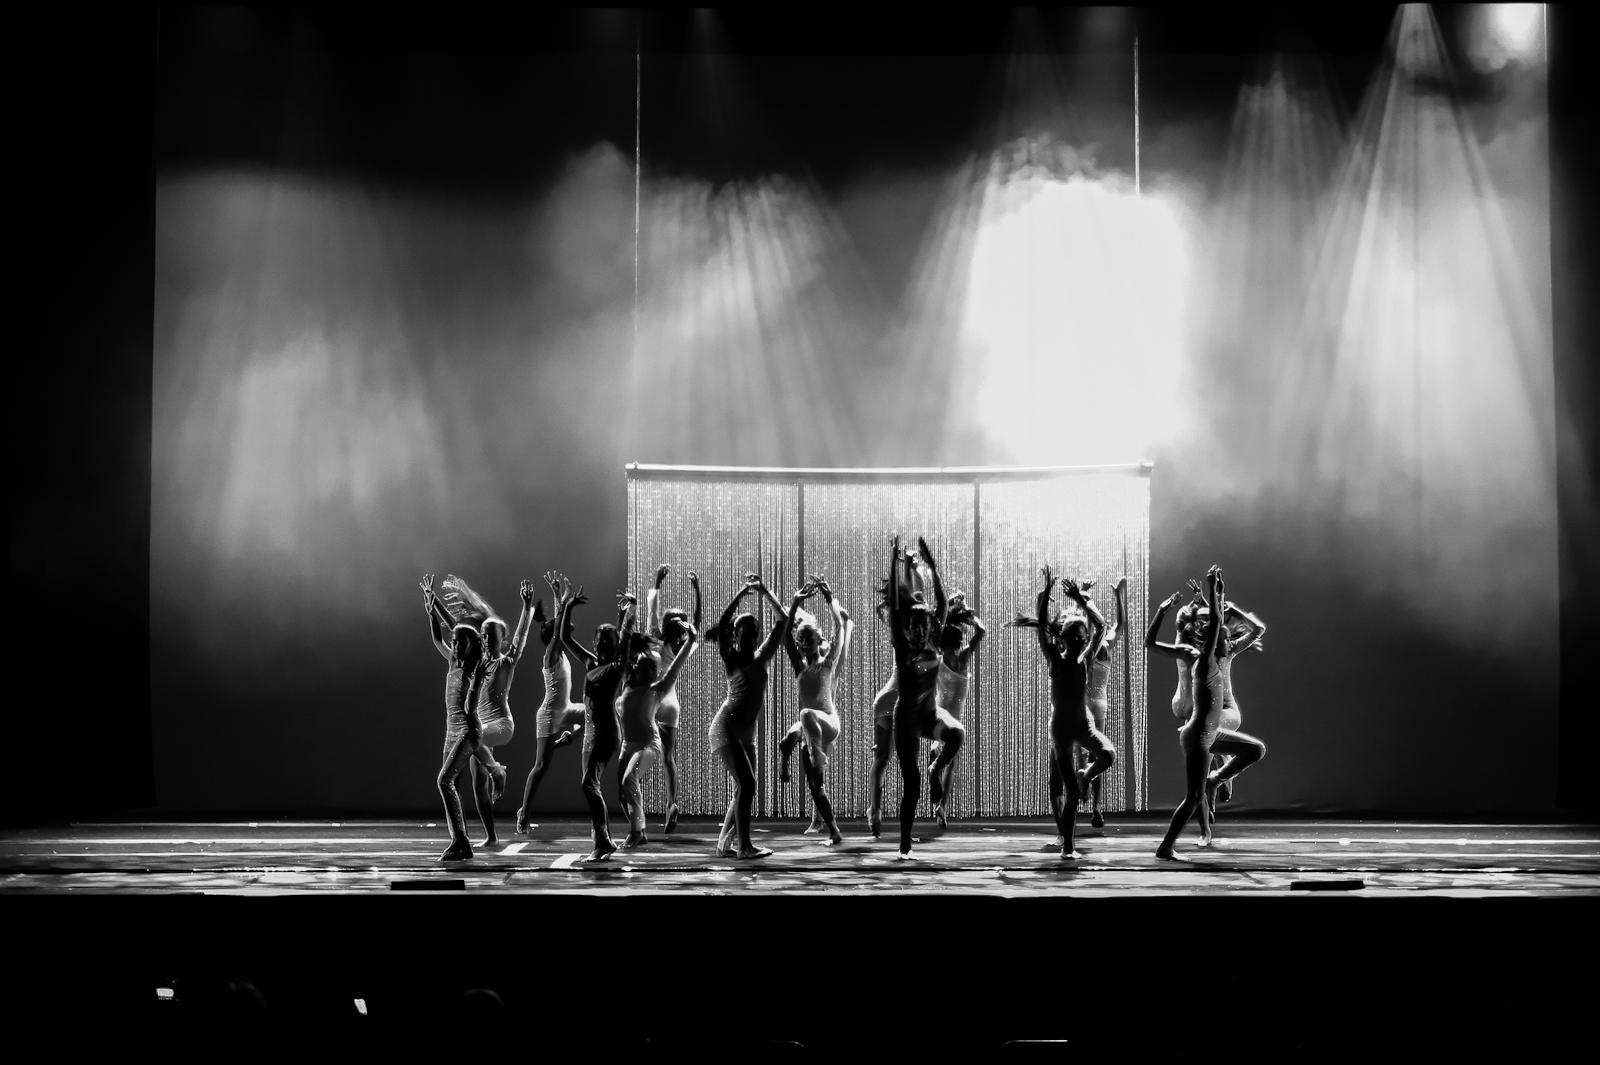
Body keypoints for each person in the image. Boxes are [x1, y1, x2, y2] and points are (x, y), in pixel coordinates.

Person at [708, 574, 809, 860]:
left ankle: (724, 844)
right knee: (748, 785)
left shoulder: (763, 655)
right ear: (736, 636)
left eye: (754, 633)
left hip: (746, 734)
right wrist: (739, 596)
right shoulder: (731, 658)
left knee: (744, 787)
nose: (751, 638)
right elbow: (723, 625)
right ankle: (744, 847)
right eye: (745, 634)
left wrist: (765, 591)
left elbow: (783, 620)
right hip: (726, 728)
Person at [884, 536, 964, 859]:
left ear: (930, 627)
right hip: (906, 722)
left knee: (957, 734)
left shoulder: (934, 641)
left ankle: (936, 769)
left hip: (930, 715)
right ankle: (904, 844)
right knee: (912, 787)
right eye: (914, 625)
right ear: (907, 628)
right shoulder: (902, 647)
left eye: (924, 625)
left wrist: (932, 565)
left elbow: (941, 602)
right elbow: (894, 607)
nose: (919, 630)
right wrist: (893, 561)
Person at [1029, 567, 1115, 860]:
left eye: (1083, 637)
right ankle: (1068, 847)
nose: (1081, 641)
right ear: (1065, 639)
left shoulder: (1084, 659)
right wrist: (1044, 595)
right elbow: (1042, 628)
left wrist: (1082, 599)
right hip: (1062, 731)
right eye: (1076, 637)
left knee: (1108, 755)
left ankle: (1085, 774)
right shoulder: (1056, 660)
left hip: (1083, 724)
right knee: (1072, 794)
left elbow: (1101, 627)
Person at [1155, 566, 1239, 860]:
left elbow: (1212, 625)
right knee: (1195, 793)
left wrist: (1165, 611)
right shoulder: (1199, 657)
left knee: (1252, 751)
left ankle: (1219, 777)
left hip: (1196, 720)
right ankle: (1171, 844)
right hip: (1197, 727)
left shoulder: (1191, 653)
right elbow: (1215, 623)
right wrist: (1214, 592)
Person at [555, 576, 631, 863]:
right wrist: (568, 606)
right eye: (598, 641)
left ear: (615, 644)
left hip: (606, 732)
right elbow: (565, 639)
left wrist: (626, 615)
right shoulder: (590, 661)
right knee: (591, 785)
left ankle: (603, 842)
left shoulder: (618, 666)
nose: (601, 645)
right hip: (590, 733)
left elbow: (626, 640)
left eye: (607, 642)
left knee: (588, 784)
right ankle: (601, 841)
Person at [454, 578, 535, 848]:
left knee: (471, 736)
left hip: (501, 725)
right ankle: (491, 836)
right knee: (478, 785)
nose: (486, 639)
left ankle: (497, 771)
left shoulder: (506, 662)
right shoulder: (477, 663)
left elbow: (521, 639)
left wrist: (526, 608)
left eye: (491, 635)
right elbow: (457, 632)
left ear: (502, 639)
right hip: (481, 729)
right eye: (483, 635)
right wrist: (435, 609)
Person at [867, 543, 941, 838]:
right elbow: (913, 594)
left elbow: (916, 592)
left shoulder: (915, 629)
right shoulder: (908, 632)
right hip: (896, 702)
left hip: (895, 700)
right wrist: (906, 565)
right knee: (885, 757)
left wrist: (909, 564)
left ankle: (875, 812)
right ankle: (875, 811)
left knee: (884, 757)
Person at [775, 575, 853, 845]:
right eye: (800, 640)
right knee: (814, 784)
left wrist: (830, 600)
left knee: (805, 714)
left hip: (827, 724)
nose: (803, 643)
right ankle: (834, 831)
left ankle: (813, 754)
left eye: (809, 639)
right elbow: (786, 636)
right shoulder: (799, 666)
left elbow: (840, 628)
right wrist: (795, 602)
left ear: (819, 640)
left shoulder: (828, 662)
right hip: (810, 731)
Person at [421, 575, 490, 861]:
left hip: (468, 731)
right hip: (451, 731)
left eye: (461, 643)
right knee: (450, 784)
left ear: (472, 646)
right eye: (455, 643)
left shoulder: (475, 668)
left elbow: (470, 709)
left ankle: (461, 841)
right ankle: (459, 841)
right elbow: (440, 636)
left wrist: (478, 682)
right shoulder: (453, 660)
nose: (456, 646)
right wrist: (431, 609)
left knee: (444, 781)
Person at [514, 573, 587, 835]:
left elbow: (557, 628)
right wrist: (562, 600)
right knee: (542, 766)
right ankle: (524, 811)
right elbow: (557, 630)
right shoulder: (551, 656)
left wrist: (561, 600)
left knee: (597, 714)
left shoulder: (562, 653)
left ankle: (568, 738)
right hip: (548, 715)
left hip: (565, 710)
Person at [615, 622, 698, 848]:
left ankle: (636, 832)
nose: (653, 672)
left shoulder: (657, 689)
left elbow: (676, 666)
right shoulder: (626, 682)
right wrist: (625, 619)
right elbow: (623, 650)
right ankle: (640, 830)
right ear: (636, 667)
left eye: (655, 669)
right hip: (628, 745)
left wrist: (691, 640)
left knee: (629, 780)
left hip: (648, 745)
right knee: (622, 793)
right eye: (648, 667)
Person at [646, 564, 702, 833]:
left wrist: (657, 583)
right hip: (670, 703)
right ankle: (672, 804)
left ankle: (632, 803)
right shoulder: (683, 646)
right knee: (668, 758)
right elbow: (696, 627)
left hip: (651, 700)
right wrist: (697, 591)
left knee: (635, 749)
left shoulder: (654, 639)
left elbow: (652, 612)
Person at [926, 592, 986, 829]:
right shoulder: (963, 658)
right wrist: (970, 616)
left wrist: (950, 604)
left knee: (940, 752)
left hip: (940, 716)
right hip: (953, 719)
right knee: (949, 762)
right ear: (959, 641)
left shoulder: (939, 659)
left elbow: (934, 626)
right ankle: (941, 806)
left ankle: (939, 801)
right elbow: (981, 631)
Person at [1080, 576, 1127, 829]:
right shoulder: (1108, 643)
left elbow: (1090, 623)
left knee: (1080, 748)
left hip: (1084, 704)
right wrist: (1119, 595)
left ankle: (1084, 784)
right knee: (1098, 752)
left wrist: (1083, 596)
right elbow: (1120, 623)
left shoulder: (1086, 649)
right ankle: (1097, 806)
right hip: (1100, 704)